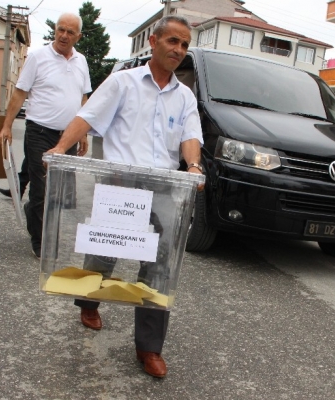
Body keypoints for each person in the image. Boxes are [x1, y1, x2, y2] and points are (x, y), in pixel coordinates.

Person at [47, 15, 203, 379]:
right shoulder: (122, 83)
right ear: (154, 41)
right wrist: (60, 148)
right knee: (105, 251)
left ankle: (148, 348)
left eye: (184, 45)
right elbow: (88, 116)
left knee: (160, 264)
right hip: (120, 184)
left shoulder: (185, 96)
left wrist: (193, 166)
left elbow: (189, 137)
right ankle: (88, 300)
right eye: (173, 42)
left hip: (164, 187)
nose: (178, 50)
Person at [0, 12, 91, 258]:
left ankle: (35, 215)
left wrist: (82, 133)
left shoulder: (81, 61)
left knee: (59, 190)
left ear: (78, 36)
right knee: (41, 187)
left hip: (68, 137)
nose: (64, 35)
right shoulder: (38, 57)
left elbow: (84, 98)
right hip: (39, 131)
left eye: (70, 32)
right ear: (55, 30)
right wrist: (7, 126)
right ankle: (41, 240)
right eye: (61, 29)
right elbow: (19, 94)